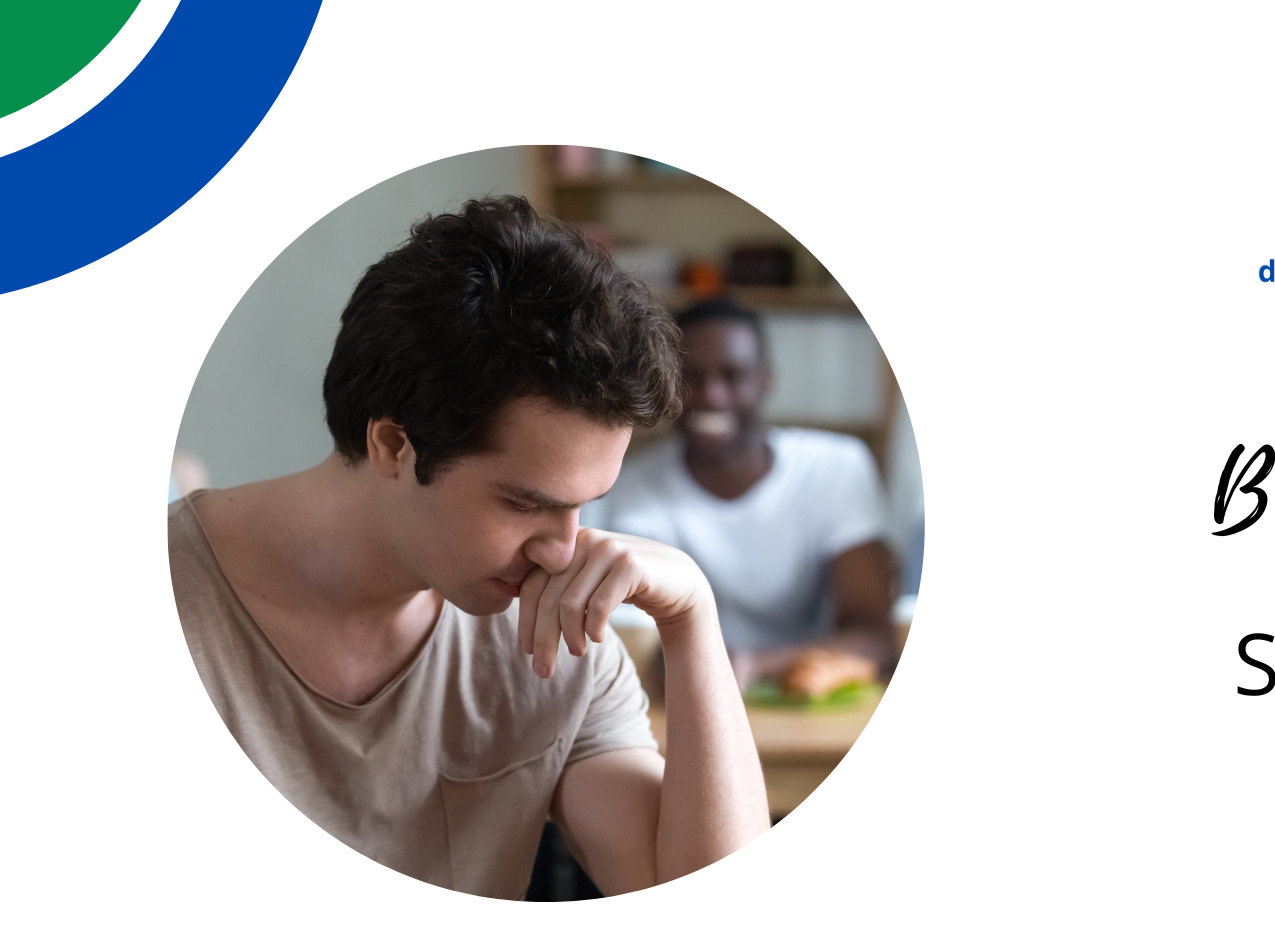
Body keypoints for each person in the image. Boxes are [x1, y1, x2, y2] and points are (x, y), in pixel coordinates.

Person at [169, 197, 768, 900]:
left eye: (585, 505)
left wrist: (691, 616)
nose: (561, 550)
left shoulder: (555, 635)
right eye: (525, 503)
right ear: (392, 443)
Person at [595, 297, 896, 698]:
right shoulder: (621, 488)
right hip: (676, 699)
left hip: (801, 700)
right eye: (691, 376)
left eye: (733, 376)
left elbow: (875, 638)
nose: (712, 396)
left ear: (766, 381)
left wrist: (749, 665)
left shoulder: (835, 469)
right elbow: (613, 637)